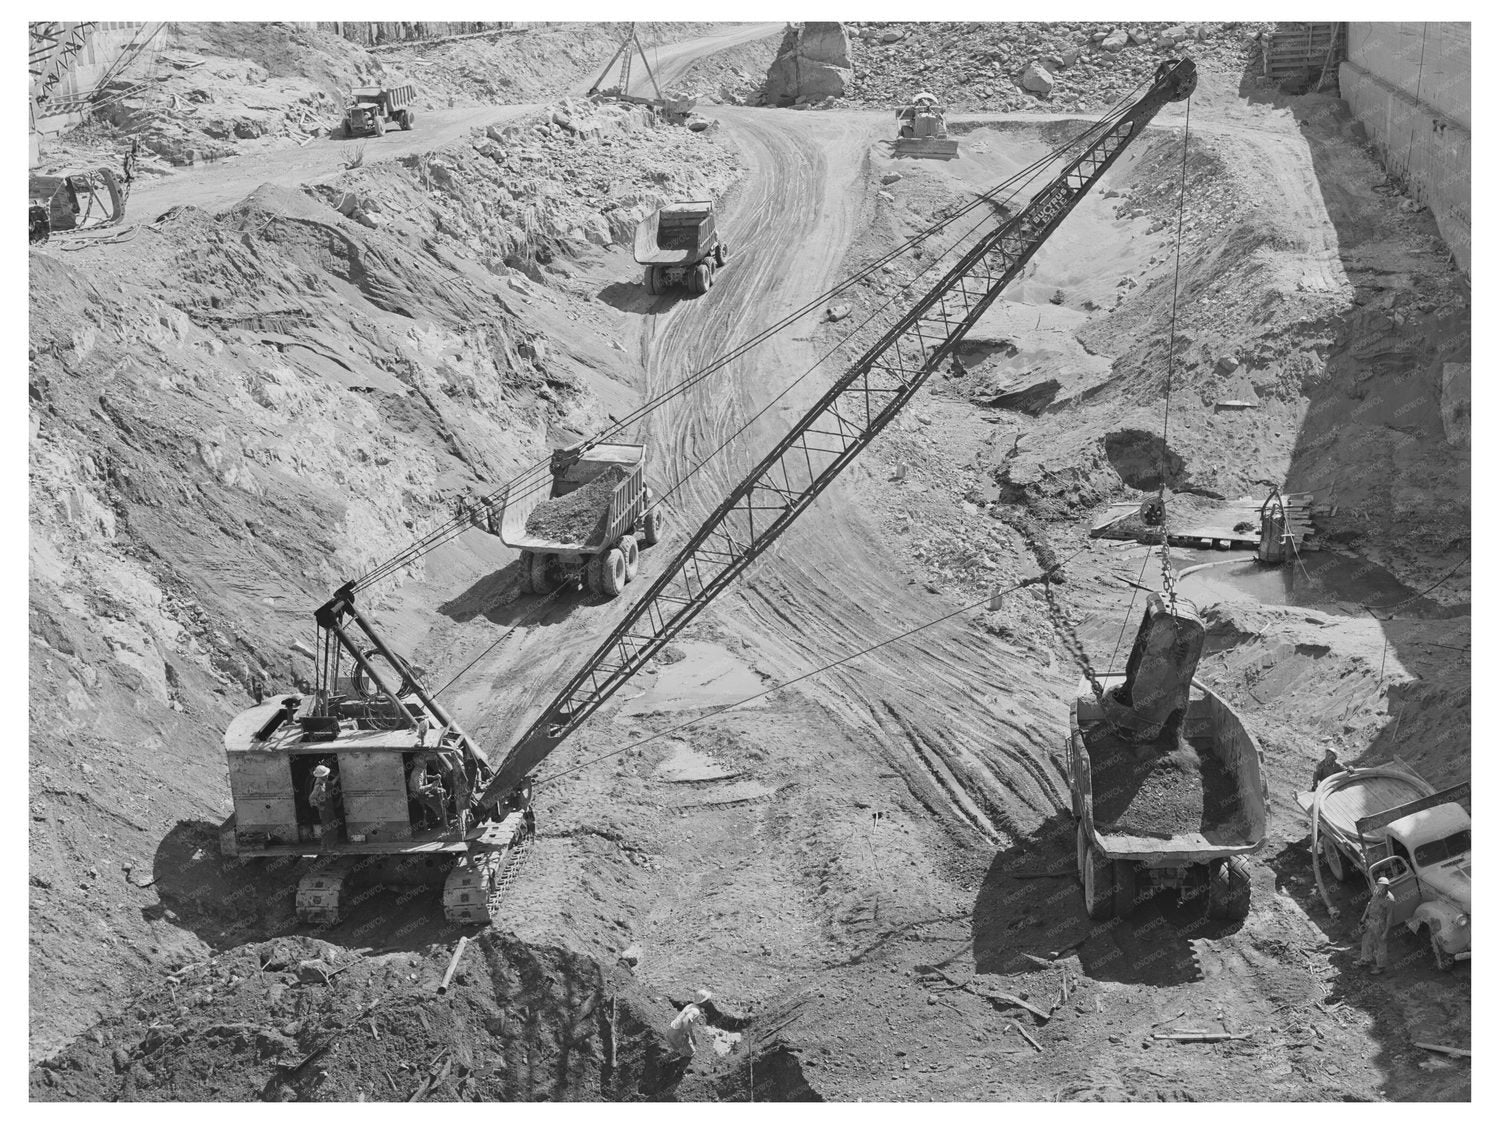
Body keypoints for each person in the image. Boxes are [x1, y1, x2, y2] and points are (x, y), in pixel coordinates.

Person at [1357, 876, 1395, 975]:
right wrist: (1362, 919)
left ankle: (1380, 967)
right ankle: (1365, 959)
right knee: (1366, 940)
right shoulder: (1376, 892)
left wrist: (1385, 933)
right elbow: (1369, 905)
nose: (1381, 889)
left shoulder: (1389, 900)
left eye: (1383, 887)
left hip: (1380, 924)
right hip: (1370, 921)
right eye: (1379, 886)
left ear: (1387, 887)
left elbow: (1389, 917)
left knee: (1380, 945)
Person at [409, 753, 448, 830]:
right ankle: (440, 819)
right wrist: (432, 785)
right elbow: (419, 790)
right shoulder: (416, 773)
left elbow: (425, 777)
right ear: (417, 761)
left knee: (442, 791)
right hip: (417, 794)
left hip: (425, 788)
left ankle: (445, 811)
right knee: (434, 800)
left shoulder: (422, 767)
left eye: (424, 758)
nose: (425, 760)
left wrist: (433, 777)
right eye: (422, 759)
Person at [308, 763, 341, 842]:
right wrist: (320, 807)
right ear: (322, 776)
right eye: (326, 774)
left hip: (329, 808)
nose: (327, 776)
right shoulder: (318, 786)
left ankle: (329, 844)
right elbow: (311, 799)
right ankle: (327, 846)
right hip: (324, 810)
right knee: (327, 828)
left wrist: (338, 776)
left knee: (331, 827)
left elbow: (331, 784)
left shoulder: (324, 783)